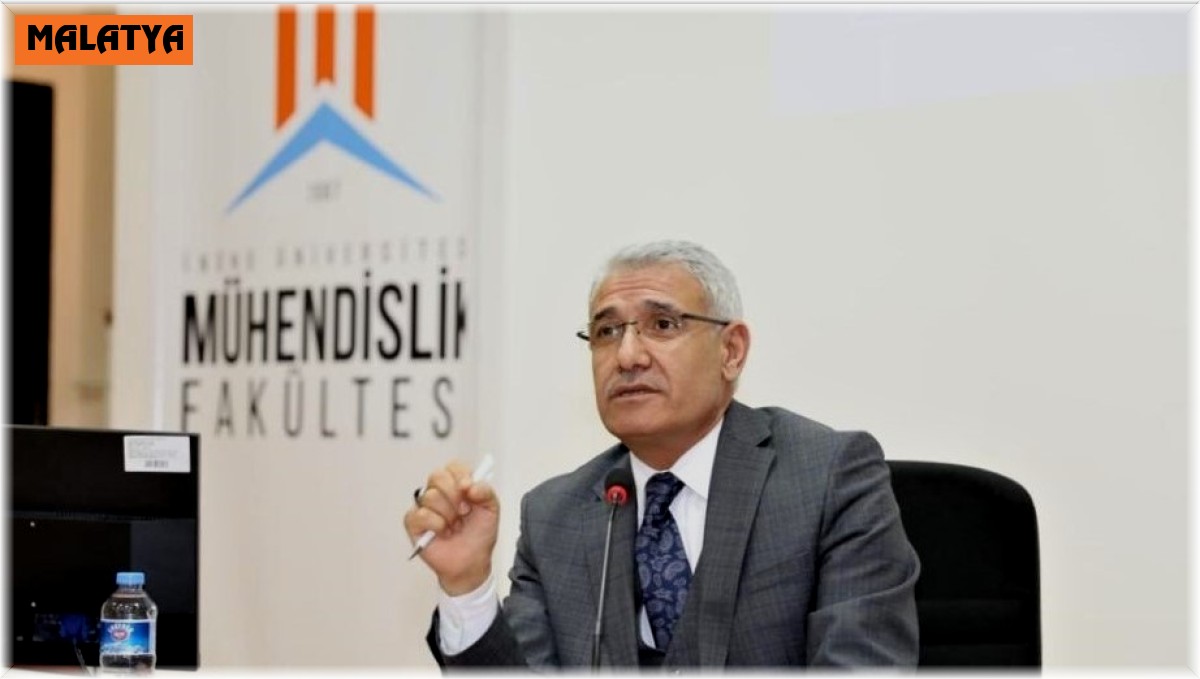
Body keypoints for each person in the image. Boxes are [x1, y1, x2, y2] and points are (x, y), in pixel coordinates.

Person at [403, 240, 920, 668]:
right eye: (607, 332)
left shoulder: (828, 476)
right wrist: (466, 585)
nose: (628, 355)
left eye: (663, 325)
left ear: (731, 350)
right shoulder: (555, 516)